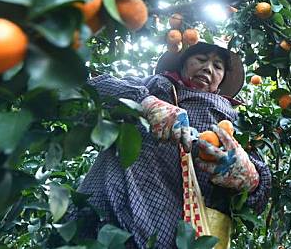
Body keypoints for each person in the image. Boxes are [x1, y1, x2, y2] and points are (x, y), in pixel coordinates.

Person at [70, 41, 271, 249]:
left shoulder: (234, 120)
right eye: (201, 60)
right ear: (183, 64)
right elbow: (90, 92)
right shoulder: (154, 86)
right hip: (107, 206)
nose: (208, 68)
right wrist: (145, 103)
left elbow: (257, 198)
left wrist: (251, 179)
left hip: (173, 230)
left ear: (221, 81)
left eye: (217, 66)